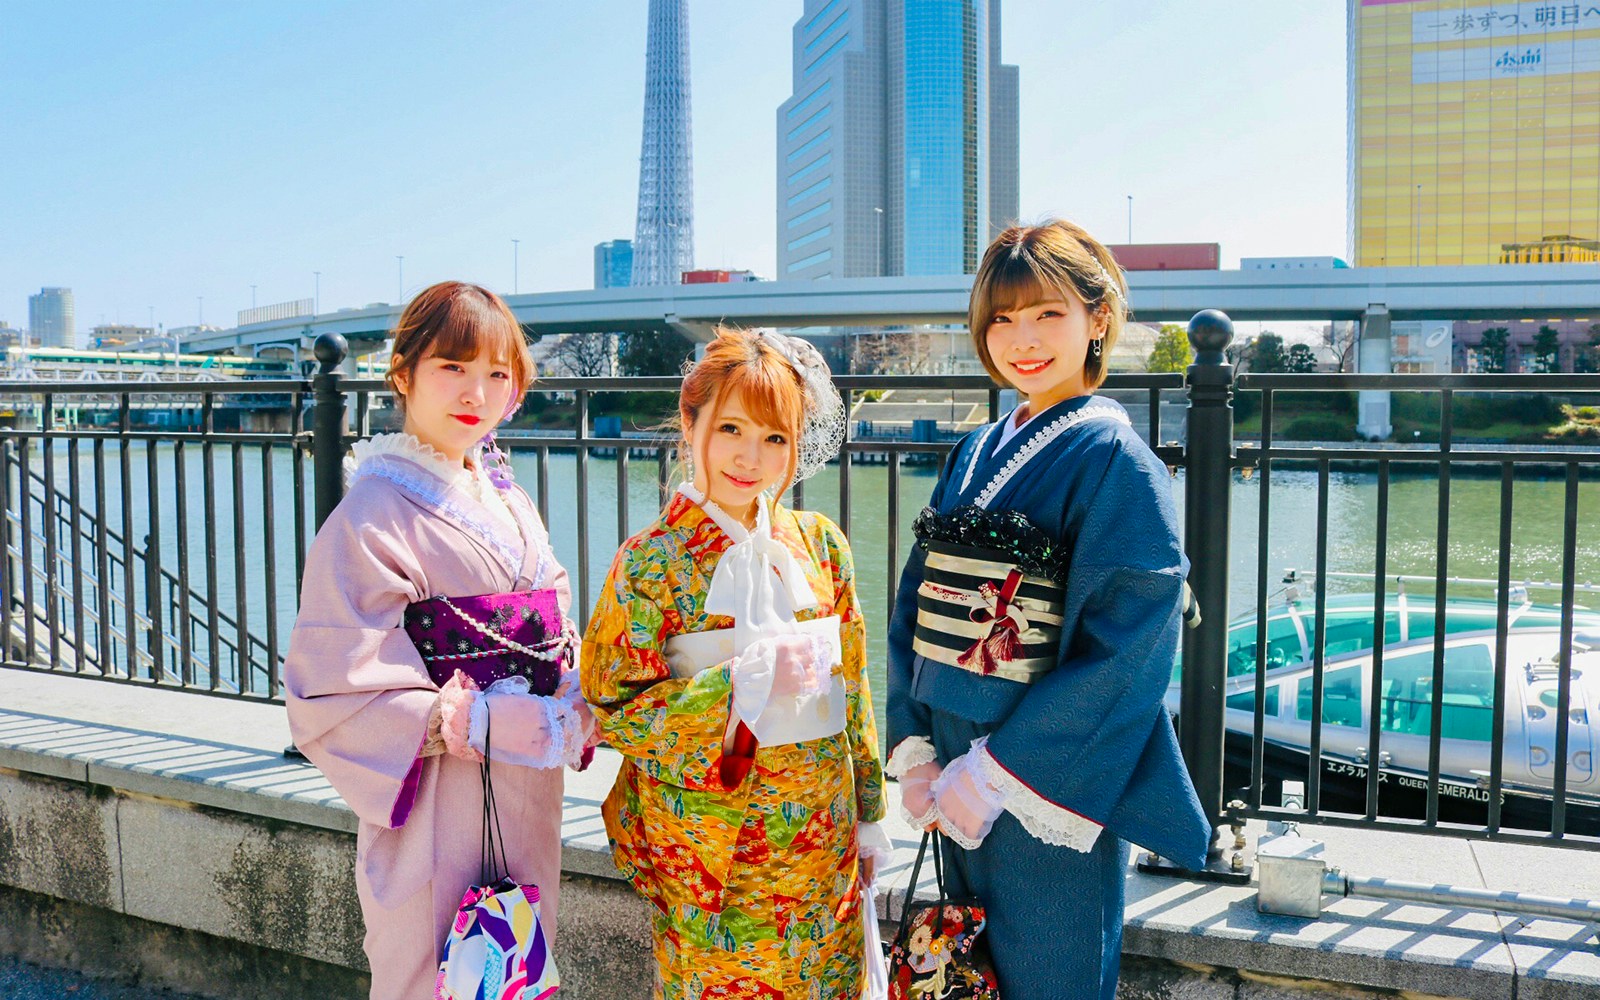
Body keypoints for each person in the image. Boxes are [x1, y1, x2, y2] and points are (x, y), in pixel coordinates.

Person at [884, 220, 1211, 1000]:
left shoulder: (1116, 459)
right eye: (1002, 319)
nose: (1021, 339)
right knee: (963, 973)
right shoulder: (975, 449)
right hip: (952, 755)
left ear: (1098, 318)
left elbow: (1131, 642)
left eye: (1046, 315)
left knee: (1048, 968)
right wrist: (916, 743)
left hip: (1040, 770)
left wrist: (995, 774)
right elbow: (919, 596)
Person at [285, 281, 594, 999]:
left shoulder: (506, 497)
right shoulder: (372, 513)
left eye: (496, 373)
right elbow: (337, 680)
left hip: (526, 783)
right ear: (404, 375)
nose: (475, 393)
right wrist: (480, 717)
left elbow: (554, 615)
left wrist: (572, 690)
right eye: (452, 367)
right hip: (437, 791)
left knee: (517, 959)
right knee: (430, 968)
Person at [581, 327, 890, 1000]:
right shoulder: (652, 561)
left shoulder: (821, 545)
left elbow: (855, 684)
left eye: (775, 438)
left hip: (820, 843)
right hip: (713, 854)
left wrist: (869, 812)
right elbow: (611, 710)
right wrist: (735, 689)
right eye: (731, 430)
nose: (751, 458)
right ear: (691, 424)